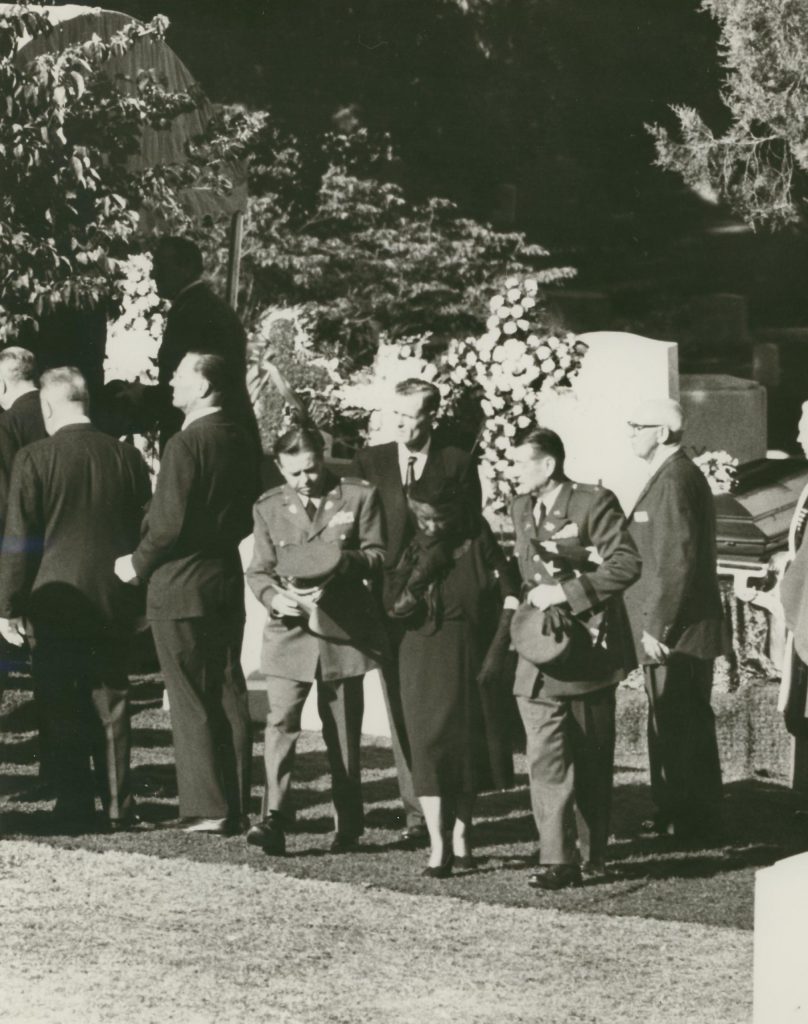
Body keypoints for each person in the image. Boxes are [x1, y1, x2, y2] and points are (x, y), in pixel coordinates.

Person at [0, 367, 151, 832]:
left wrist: (8, 605)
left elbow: (21, 538)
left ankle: (74, 805)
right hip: (113, 595)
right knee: (112, 701)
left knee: (61, 702)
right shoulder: (127, 457)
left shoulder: (34, 458)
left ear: (47, 406)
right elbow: (145, 526)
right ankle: (119, 804)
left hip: (55, 599)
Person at [115, 351, 260, 834]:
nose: (171, 383)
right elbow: (244, 515)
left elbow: (167, 523)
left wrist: (134, 565)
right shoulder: (240, 439)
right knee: (227, 689)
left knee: (189, 694)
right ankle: (235, 801)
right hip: (222, 576)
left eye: (179, 376)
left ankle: (208, 806)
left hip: (178, 583)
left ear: (202, 387)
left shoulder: (186, 443)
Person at [350, 378, 482, 846]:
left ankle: (451, 813)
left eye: (413, 418)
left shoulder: (457, 462)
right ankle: (417, 815)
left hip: (439, 604)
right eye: (398, 417)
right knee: (401, 705)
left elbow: (467, 532)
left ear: (432, 418)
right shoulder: (371, 461)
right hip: (386, 603)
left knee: (442, 711)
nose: (404, 426)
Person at [245, 424, 388, 855]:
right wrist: (273, 599)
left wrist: (340, 565)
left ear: (322, 458)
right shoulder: (269, 506)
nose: (305, 480)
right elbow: (259, 570)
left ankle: (349, 823)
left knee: (343, 732)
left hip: (341, 633)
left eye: (311, 470)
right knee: (280, 724)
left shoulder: (358, 495)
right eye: (294, 474)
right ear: (280, 469)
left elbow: (379, 555)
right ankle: (273, 819)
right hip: (289, 634)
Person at [510, 427, 641, 890]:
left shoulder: (592, 502)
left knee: (589, 756)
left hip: (587, 649)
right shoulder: (520, 507)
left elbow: (626, 563)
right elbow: (525, 572)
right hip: (540, 647)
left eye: (520, 463)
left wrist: (566, 594)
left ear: (547, 465)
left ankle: (594, 854)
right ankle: (557, 859)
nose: (513, 472)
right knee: (544, 755)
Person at [394, 475, 517, 876]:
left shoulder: (478, 538)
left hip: (468, 653)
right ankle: (438, 845)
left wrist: (499, 648)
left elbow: (509, 590)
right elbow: (393, 604)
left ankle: (463, 836)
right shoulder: (411, 543)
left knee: (465, 750)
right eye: (421, 518)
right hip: (421, 654)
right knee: (427, 748)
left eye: (435, 519)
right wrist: (425, 566)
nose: (428, 526)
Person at [624, 398, 726, 842]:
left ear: (662, 433)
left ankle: (680, 818)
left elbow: (676, 561)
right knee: (680, 724)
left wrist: (656, 628)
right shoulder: (674, 475)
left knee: (675, 724)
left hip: (676, 634)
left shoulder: (674, 478)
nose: (629, 432)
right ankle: (690, 816)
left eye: (636, 424)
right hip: (678, 630)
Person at [109, 236, 259, 453]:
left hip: (204, 441)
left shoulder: (193, 312)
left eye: (161, 266)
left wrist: (142, 394)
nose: (154, 274)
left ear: (186, 267)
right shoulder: (203, 305)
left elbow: (193, 384)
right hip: (225, 434)